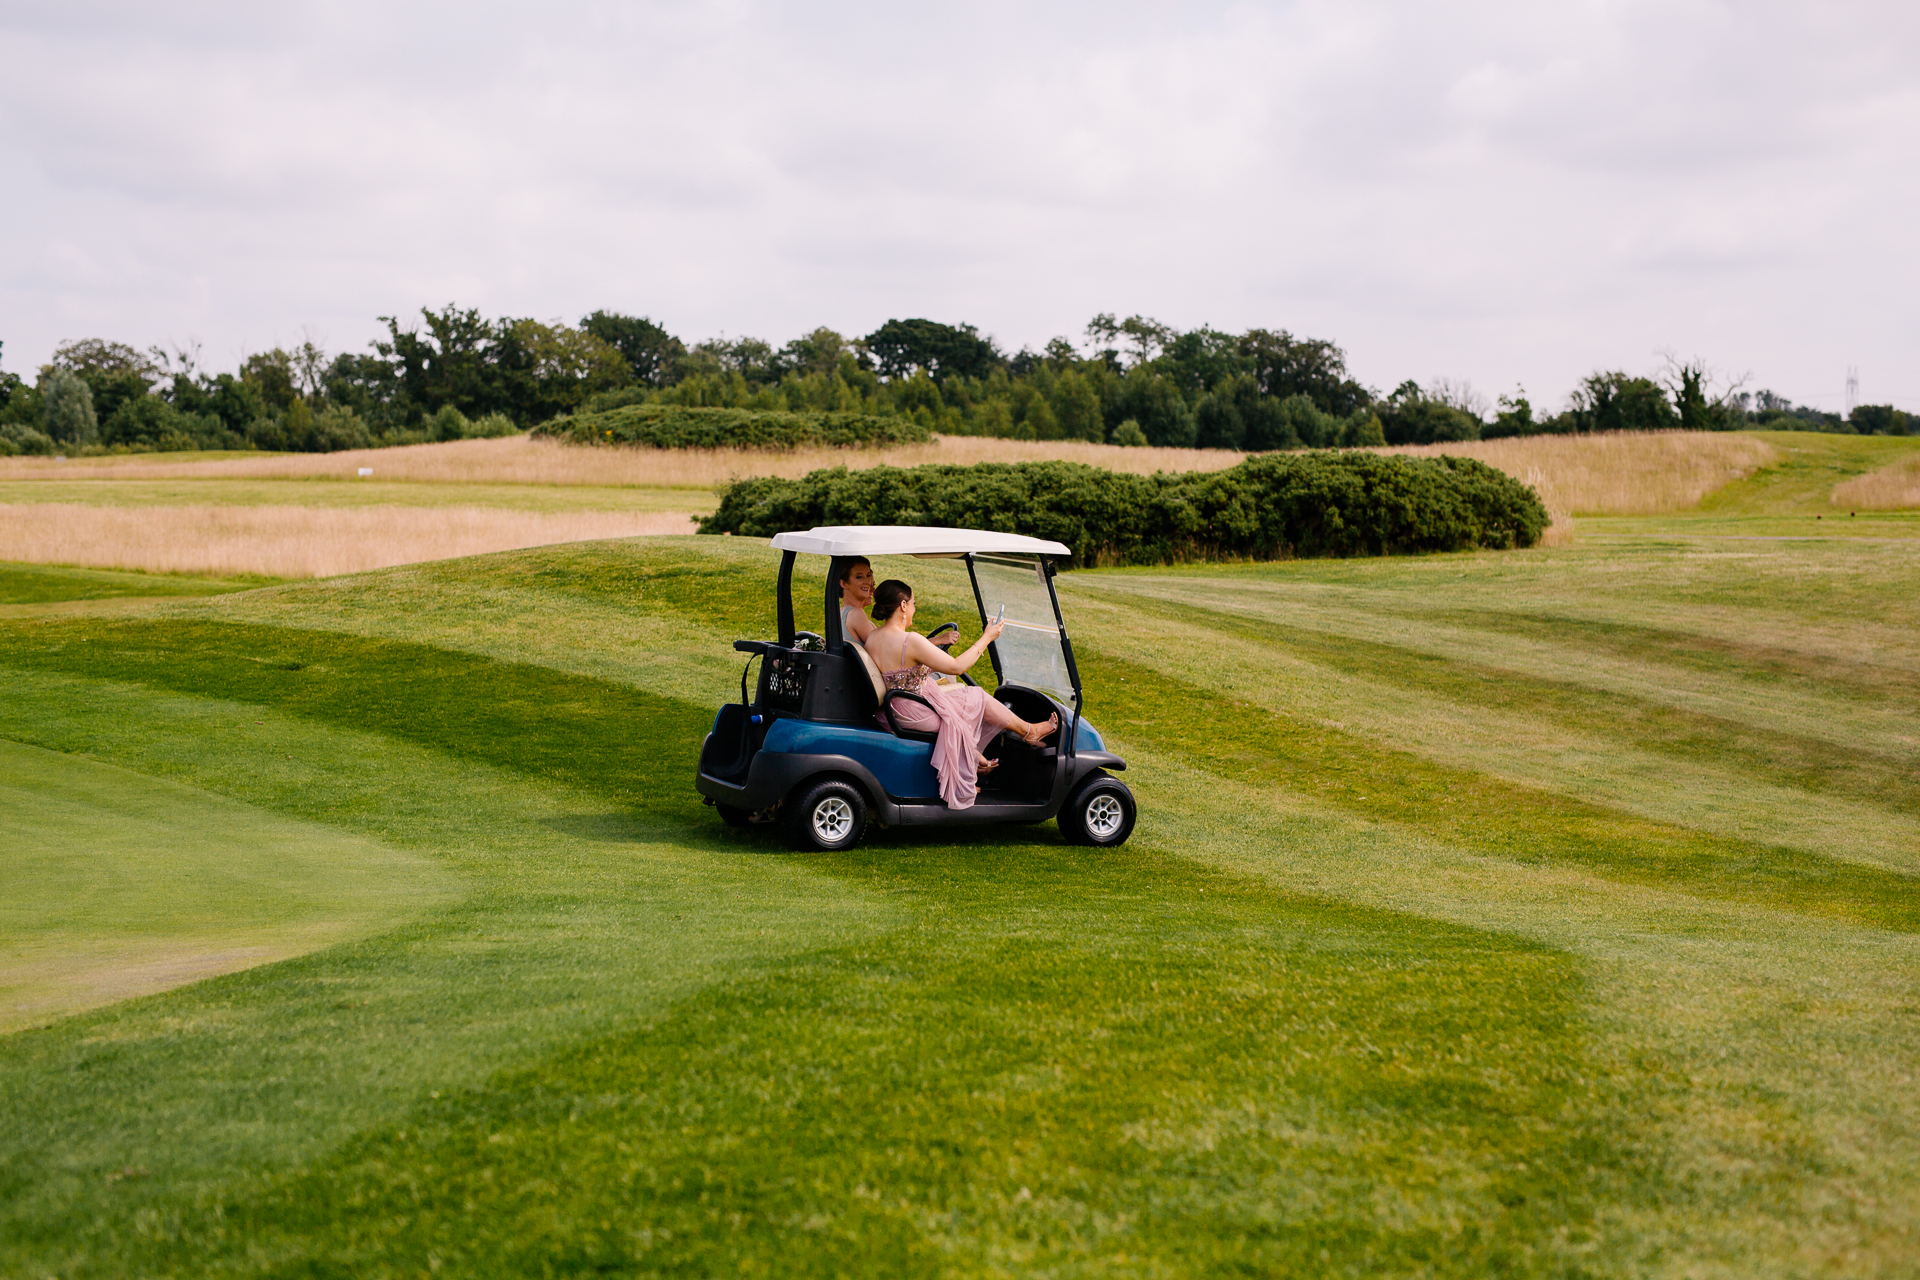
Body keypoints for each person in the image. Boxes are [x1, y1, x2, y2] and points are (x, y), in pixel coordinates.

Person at [865, 578, 1058, 810]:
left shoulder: (874, 637)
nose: (915, 609)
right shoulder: (910, 640)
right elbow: (957, 667)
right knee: (976, 697)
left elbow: (905, 669)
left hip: (897, 707)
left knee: (968, 699)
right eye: (914, 603)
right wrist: (987, 637)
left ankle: (984, 754)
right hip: (913, 708)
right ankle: (1027, 732)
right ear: (903, 606)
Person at [837, 557, 876, 646]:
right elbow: (881, 650)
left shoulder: (840, 612)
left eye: (868, 575)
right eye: (859, 577)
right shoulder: (856, 614)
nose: (867, 581)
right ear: (844, 583)